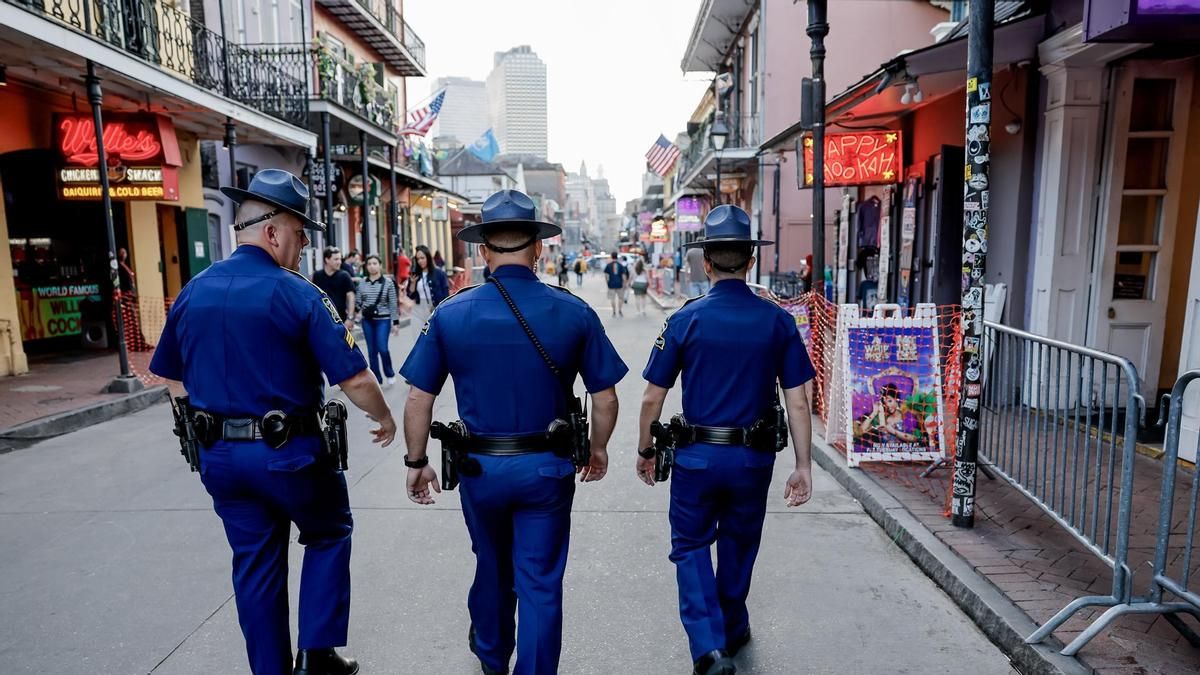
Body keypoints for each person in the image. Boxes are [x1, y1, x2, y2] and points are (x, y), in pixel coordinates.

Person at [149, 169, 397, 675]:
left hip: (219, 457)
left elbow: (170, 377)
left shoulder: (193, 291)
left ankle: (270, 670)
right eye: (301, 234)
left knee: (255, 562)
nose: (304, 245)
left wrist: (208, 415)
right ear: (273, 232)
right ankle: (318, 653)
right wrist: (385, 417)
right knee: (329, 532)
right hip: (291, 456)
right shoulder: (298, 293)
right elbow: (354, 378)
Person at [400, 189, 626, 675]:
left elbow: (419, 397)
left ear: (483, 250)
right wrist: (599, 449)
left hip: (480, 469)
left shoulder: (451, 313)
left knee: (491, 565)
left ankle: (491, 655)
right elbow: (605, 398)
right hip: (546, 467)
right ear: (538, 247)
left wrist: (416, 462)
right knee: (539, 580)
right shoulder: (573, 312)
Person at [637, 204, 815, 675]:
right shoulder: (778, 321)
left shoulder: (685, 319)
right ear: (750, 261)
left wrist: (646, 449)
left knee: (691, 545)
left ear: (708, 262)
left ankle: (708, 646)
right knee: (740, 543)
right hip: (752, 460)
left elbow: (653, 395)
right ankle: (732, 627)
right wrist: (804, 464)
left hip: (696, 456)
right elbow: (797, 401)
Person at [355, 254, 402, 387]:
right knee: (371, 351)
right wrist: (355, 312)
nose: (372, 266)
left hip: (383, 320)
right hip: (367, 320)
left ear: (380, 265)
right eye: (369, 264)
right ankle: (377, 378)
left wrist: (396, 323)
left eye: (375, 263)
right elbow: (359, 301)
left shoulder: (388, 283)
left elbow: (393, 304)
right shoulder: (362, 282)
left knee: (382, 348)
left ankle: (389, 373)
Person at [312, 247, 357, 334]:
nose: (339, 262)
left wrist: (350, 318)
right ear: (327, 260)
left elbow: (351, 297)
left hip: (340, 319)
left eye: (340, 259)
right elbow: (313, 296)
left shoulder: (344, 275)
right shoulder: (317, 275)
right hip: (322, 319)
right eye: (336, 259)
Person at [406, 245, 449, 328]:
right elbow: (411, 295)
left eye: (422, 258)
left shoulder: (439, 274)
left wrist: (442, 309)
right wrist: (413, 283)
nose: (420, 261)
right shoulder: (415, 275)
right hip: (418, 309)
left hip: (435, 308)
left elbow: (446, 294)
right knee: (418, 337)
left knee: (433, 337)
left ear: (428, 258)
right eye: (418, 259)